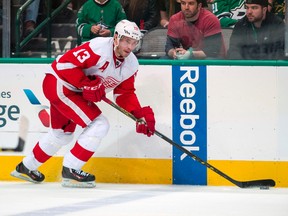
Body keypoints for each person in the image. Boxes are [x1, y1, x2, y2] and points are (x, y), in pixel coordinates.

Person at [10, 19, 156, 188]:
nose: (129, 47)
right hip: (60, 84)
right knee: (99, 124)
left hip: (73, 91)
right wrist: (85, 83)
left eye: (133, 42)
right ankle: (71, 169)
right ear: (116, 37)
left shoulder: (131, 64)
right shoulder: (98, 48)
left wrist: (138, 114)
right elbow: (64, 64)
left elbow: (125, 93)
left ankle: (26, 167)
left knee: (61, 133)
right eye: (126, 40)